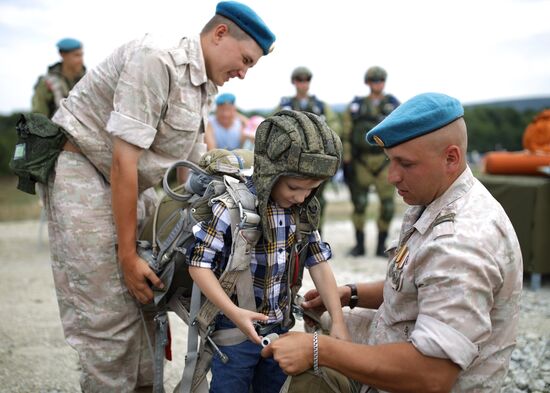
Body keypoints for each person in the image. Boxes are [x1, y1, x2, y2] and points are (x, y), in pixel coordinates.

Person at [39, 2, 276, 391]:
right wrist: (128, 255)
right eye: (245, 59)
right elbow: (122, 161)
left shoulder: (205, 82)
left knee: (148, 300)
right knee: (108, 318)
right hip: (87, 173)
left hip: (138, 184)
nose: (244, 74)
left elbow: (192, 166)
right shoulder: (157, 60)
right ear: (220, 35)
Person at [262, 93, 523, 393]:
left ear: (451, 157)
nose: (391, 176)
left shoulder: (461, 243)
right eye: (390, 161)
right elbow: (416, 285)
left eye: (406, 163)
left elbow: (432, 374)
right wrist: (352, 294)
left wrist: (318, 350)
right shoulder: (436, 196)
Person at [188, 110, 350, 393]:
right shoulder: (232, 209)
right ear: (269, 172)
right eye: (294, 187)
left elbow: (319, 263)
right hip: (234, 331)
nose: (301, 197)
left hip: (281, 330)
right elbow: (198, 264)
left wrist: (338, 322)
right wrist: (234, 313)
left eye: (312, 189)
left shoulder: (302, 212)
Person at [341, 66, 400, 257]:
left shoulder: (393, 104)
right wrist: (347, 157)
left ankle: (382, 244)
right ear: (368, 82)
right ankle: (359, 245)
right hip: (361, 161)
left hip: (385, 160)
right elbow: (347, 132)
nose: (378, 84)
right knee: (359, 204)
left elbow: (402, 131)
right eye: (374, 80)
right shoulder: (356, 106)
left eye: (381, 80)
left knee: (388, 205)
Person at [275, 66, 342, 232]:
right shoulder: (286, 105)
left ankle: (316, 233)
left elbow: (334, 129)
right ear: (294, 82)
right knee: (291, 198)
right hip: (292, 161)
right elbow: (273, 126)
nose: (303, 84)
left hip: (318, 160)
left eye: (306, 80)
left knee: (316, 200)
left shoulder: (321, 106)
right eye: (299, 80)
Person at [32, 38, 86, 118]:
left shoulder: (87, 81)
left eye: (81, 55)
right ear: (63, 55)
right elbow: (39, 118)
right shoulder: (47, 84)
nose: (81, 60)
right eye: (76, 55)